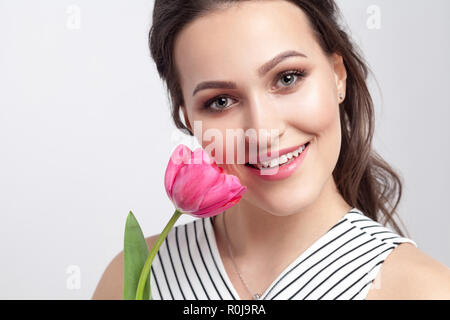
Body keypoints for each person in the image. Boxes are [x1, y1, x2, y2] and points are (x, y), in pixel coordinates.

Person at [92, 0, 450, 300]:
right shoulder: (136, 277)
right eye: (220, 101)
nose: (262, 133)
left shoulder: (422, 290)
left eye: (287, 78)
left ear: (337, 75)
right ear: (187, 119)